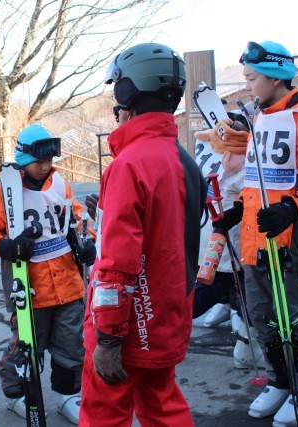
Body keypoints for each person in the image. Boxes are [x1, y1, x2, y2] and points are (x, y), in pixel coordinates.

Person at [80, 43, 206, 426]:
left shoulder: (129, 163)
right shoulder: (184, 161)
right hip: (166, 318)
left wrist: (108, 337)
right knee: (163, 407)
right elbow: (168, 234)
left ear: (129, 92)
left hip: (128, 324)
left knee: (105, 413)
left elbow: (117, 262)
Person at [213, 40, 298, 426]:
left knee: (293, 317)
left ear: (276, 78)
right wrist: (237, 210)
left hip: (295, 236)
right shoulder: (261, 118)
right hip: (256, 235)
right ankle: (281, 379)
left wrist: (292, 208)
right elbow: (259, 179)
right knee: (263, 316)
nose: (247, 87)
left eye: (252, 79)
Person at [0, 124, 97, 425]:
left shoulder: (58, 183)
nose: (45, 166)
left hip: (68, 281)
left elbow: (76, 216)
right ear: (23, 159)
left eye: (49, 160)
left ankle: (68, 394)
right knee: (28, 345)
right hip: (30, 286)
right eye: (39, 161)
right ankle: (15, 391)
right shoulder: (0, 192)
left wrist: (87, 241)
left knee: (71, 343)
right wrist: (4, 245)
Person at [193, 114, 266, 370]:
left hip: (229, 244)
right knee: (212, 290)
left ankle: (247, 347)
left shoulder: (235, 159)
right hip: (224, 243)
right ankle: (165, 326)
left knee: (244, 296)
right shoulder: (231, 161)